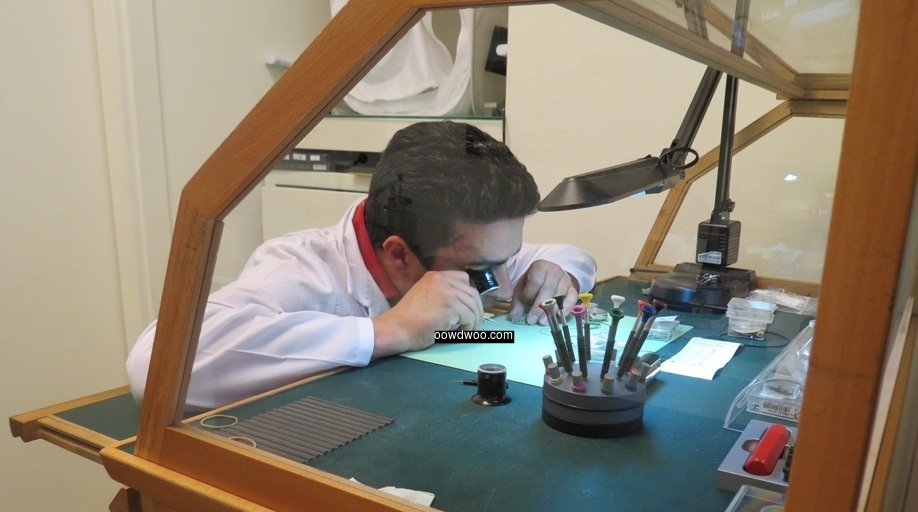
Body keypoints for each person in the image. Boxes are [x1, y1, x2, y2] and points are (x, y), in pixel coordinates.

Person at [126, 121, 596, 410]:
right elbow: (154, 366)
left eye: (508, 260)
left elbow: (571, 256)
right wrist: (389, 330)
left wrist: (558, 271)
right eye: (484, 270)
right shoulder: (300, 268)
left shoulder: (469, 245)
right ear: (399, 253)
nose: (501, 280)